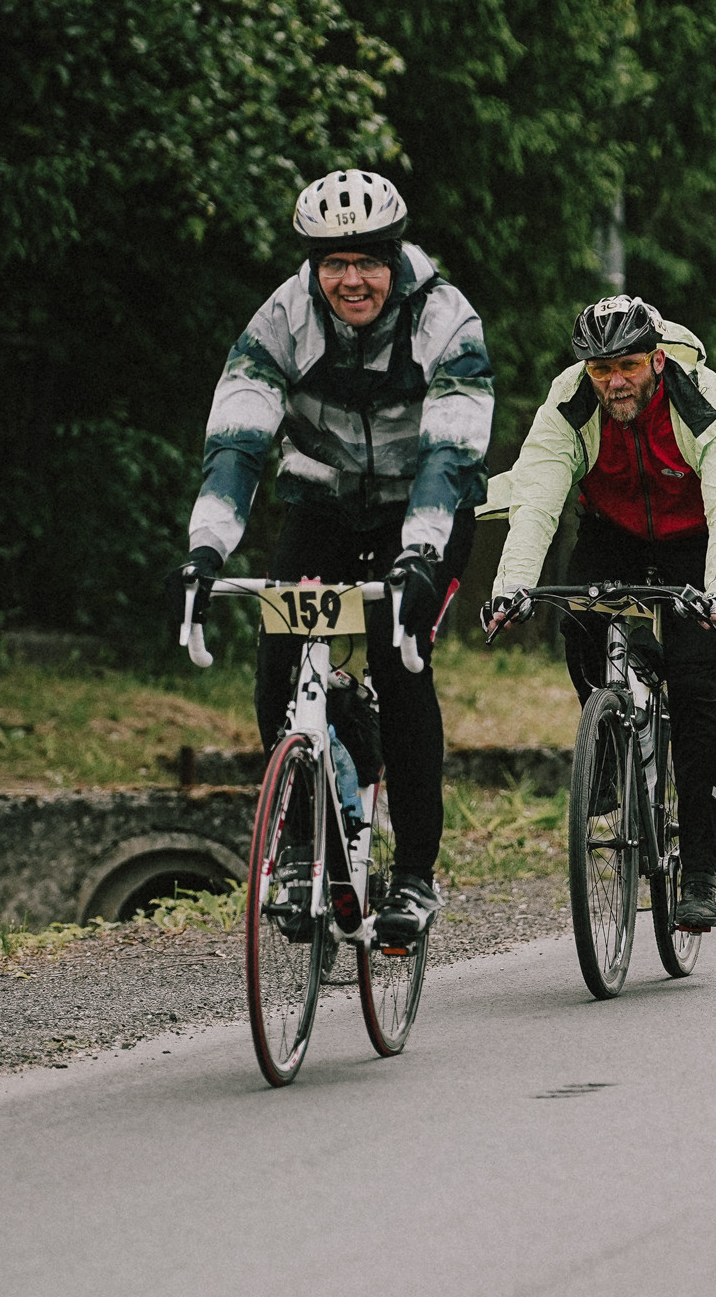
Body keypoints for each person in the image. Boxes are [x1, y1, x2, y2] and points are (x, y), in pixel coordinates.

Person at [177, 170, 493, 944]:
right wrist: (205, 549)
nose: (351, 280)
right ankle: (297, 849)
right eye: (332, 264)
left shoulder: (447, 320)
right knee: (279, 657)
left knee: (401, 661)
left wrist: (419, 553)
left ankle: (415, 874)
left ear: (395, 256)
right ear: (312, 267)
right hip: (320, 503)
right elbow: (237, 437)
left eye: (367, 261)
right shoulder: (283, 317)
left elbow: (450, 454)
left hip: (425, 508)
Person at [481, 295, 716, 931]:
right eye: (600, 369)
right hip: (612, 533)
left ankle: (701, 875)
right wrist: (513, 585)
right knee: (575, 620)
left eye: (628, 365)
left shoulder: (700, 398)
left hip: (695, 540)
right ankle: (608, 747)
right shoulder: (571, 401)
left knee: (693, 688)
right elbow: (539, 494)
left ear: (657, 359)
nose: (614, 381)